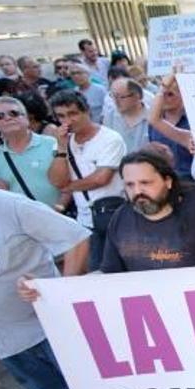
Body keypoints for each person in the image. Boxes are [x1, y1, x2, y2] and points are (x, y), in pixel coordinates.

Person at [0, 187, 89, 389]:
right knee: (41, 387)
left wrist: (62, 295)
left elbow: (76, 239)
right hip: (0, 336)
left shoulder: (10, 207)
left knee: (89, 383)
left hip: (46, 324)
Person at [99, 150, 195, 272]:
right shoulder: (121, 218)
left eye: (145, 183)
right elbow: (111, 274)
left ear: (168, 181)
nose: (138, 191)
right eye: (130, 185)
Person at [48, 90, 126, 270]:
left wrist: (68, 186)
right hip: (85, 219)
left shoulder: (110, 138)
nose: (67, 120)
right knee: (94, 272)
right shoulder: (63, 141)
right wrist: (61, 147)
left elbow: (101, 178)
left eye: (73, 113)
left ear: (86, 111)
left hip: (113, 215)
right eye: (61, 116)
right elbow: (56, 179)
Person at [0, 97, 62, 207]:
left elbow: (69, 182)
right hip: (25, 220)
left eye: (13, 113)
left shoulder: (52, 143)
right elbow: (6, 197)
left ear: (27, 117)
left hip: (63, 217)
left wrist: (59, 210)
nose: (7, 118)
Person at [147, 75, 193, 180]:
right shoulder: (153, 125)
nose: (164, 98)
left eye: (170, 94)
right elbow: (153, 120)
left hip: (191, 180)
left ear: (182, 95)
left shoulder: (194, 122)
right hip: (164, 179)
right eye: (162, 95)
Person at [103, 78, 149, 153]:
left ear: (137, 96)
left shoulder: (153, 117)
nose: (116, 101)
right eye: (113, 96)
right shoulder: (109, 116)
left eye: (121, 97)